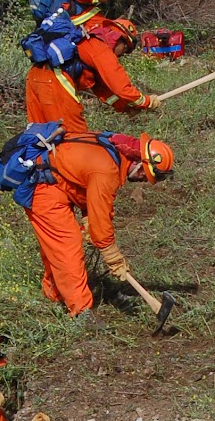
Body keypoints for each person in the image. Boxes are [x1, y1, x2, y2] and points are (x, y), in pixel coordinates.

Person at [24, 132, 174, 319]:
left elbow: (85, 183)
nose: (145, 179)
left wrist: (88, 216)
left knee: (58, 247)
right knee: (67, 247)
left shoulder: (113, 155)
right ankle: (81, 313)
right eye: (146, 174)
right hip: (43, 188)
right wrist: (113, 257)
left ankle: (54, 295)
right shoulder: (107, 171)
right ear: (138, 162)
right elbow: (100, 222)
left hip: (56, 183)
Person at [24, 18, 159, 137]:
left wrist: (125, 107)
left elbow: (101, 88)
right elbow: (121, 87)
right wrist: (146, 101)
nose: (123, 54)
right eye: (125, 49)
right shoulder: (101, 48)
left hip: (35, 76)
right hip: (55, 81)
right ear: (119, 39)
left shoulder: (90, 41)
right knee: (73, 137)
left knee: (39, 135)